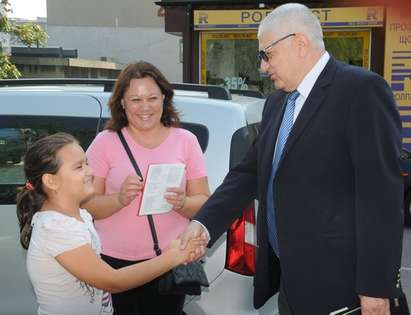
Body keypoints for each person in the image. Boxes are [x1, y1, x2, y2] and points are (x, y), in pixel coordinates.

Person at [179, 3, 404, 315]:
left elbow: (381, 197)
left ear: (300, 43)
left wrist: (375, 288)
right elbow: (248, 173)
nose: (262, 66)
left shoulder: (360, 91)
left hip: (344, 289)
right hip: (290, 283)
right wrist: (203, 223)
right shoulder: (276, 103)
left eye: (267, 54)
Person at [16, 132, 202, 315]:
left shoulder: (80, 215)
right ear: (51, 181)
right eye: (79, 167)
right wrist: (176, 256)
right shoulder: (56, 227)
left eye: (87, 163)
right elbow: (112, 281)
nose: (90, 171)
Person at [84, 61, 210, 315]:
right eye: (135, 99)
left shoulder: (186, 141)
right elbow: (87, 206)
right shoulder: (105, 143)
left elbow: (205, 202)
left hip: (168, 260)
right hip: (113, 263)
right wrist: (119, 199)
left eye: (152, 97)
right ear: (122, 102)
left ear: (164, 96)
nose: (145, 107)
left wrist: (183, 203)